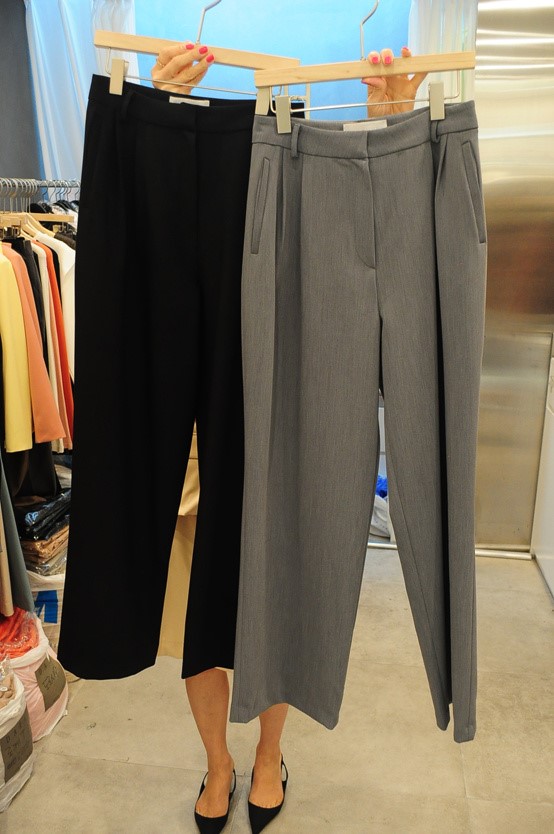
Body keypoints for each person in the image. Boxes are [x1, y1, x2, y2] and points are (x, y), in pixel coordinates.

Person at [149, 43, 426, 834]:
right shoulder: (189, 155)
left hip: (288, 381)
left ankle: (268, 754)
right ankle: (218, 761)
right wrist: (159, 116)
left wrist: (391, 118)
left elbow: (372, 224)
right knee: (201, 602)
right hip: (198, 383)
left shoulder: (302, 146)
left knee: (281, 580)